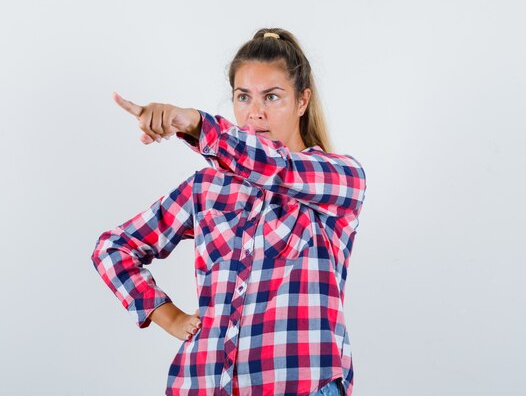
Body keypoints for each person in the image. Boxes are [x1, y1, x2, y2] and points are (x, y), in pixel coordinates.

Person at [91, 28, 367, 396]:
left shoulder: (338, 180)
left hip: (300, 385)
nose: (255, 112)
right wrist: (167, 316)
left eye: (272, 96)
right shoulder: (208, 187)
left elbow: (278, 168)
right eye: (243, 97)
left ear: (302, 100)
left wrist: (195, 123)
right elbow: (114, 248)